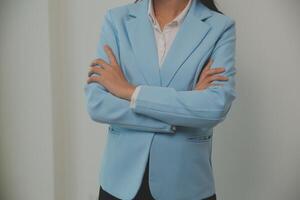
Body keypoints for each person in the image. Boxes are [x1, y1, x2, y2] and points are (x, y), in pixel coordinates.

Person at [84, 0, 236, 199]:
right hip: (120, 183)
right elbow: (98, 104)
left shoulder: (220, 27)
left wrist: (129, 91)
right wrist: (179, 113)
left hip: (186, 183)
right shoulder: (117, 19)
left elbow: (215, 107)